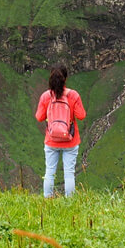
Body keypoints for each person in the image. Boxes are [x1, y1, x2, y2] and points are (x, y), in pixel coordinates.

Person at [35, 64, 86, 198]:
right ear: (66, 78)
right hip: (70, 140)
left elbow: (39, 117)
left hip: (51, 140)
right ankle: (69, 201)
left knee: (50, 171)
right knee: (69, 173)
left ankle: (47, 199)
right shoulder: (73, 95)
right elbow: (81, 115)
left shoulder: (46, 96)